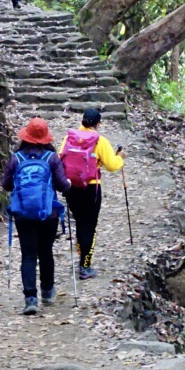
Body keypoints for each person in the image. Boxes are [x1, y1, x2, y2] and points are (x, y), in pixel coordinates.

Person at [2, 117, 67, 314]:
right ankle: (47, 292)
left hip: (23, 214)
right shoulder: (52, 158)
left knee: (28, 254)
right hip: (48, 213)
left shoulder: (16, 158)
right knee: (46, 251)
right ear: (46, 138)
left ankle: (30, 298)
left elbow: (5, 184)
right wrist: (69, 185)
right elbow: (62, 185)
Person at [59, 107, 124, 279]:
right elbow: (112, 165)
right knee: (89, 226)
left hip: (72, 186)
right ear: (98, 124)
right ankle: (85, 265)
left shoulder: (69, 137)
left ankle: (82, 256)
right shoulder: (100, 140)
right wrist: (120, 158)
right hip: (91, 188)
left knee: (80, 223)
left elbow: (60, 158)